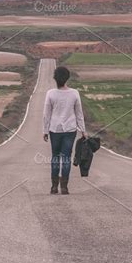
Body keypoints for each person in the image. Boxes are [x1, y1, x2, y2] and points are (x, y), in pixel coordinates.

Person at [42, 66, 86, 194]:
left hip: (54, 129)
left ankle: (54, 187)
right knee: (66, 157)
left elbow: (46, 114)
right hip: (70, 129)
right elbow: (79, 113)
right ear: (67, 78)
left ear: (55, 78)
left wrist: (45, 130)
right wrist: (83, 130)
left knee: (55, 157)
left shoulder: (50, 93)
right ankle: (64, 187)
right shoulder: (74, 93)